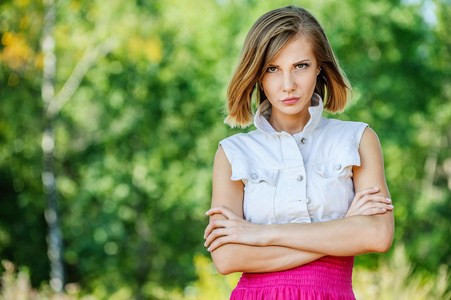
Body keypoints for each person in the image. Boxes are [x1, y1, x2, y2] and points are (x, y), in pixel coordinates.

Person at [203, 5, 394, 299]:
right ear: (257, 75)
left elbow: (377, 236)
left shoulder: (357, 139)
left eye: (300, 66)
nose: (288, 85)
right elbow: (228, 258)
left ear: (320, 66)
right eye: (272, 69)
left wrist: (260, 235)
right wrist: (342, 231)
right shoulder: (232, 153)